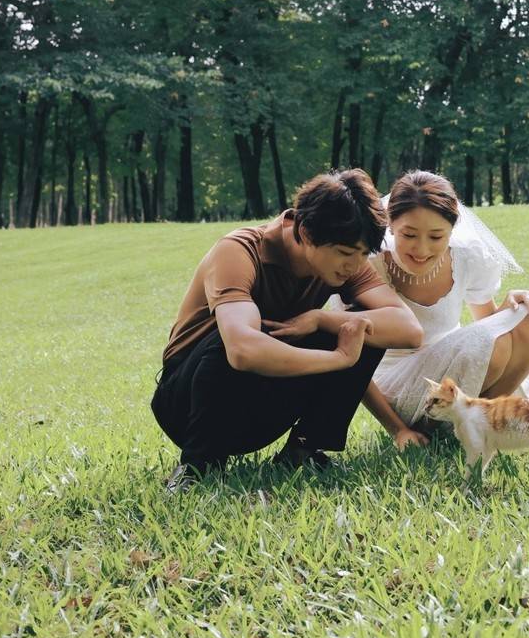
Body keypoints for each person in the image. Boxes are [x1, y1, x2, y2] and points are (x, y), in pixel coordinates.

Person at [151, 168, 423, 491]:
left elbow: (408, 329)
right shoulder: (239, 251)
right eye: (346, 253)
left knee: (360, 326)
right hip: (188, 403)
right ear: (305, 232)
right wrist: (338, 358)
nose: (354, 264)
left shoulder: (346, 260)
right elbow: (241, 351)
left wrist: (321, 319)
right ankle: (198, 468)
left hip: (262, 405)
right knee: (235, 336)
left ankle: (302, 452)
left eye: (363, 254)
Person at [343, 170, 529, 450]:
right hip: (397, 383)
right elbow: (351, 362)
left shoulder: (467, 256)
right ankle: (444, 427)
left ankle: (484, 422)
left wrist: (510, 308)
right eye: (409, 234)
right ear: (390, 225)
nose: (421, 249)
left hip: (456, 368)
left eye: (436, 236)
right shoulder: (368, 264)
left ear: (452, 230)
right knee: (485, 342)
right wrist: (398, 431)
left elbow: (490, 327)